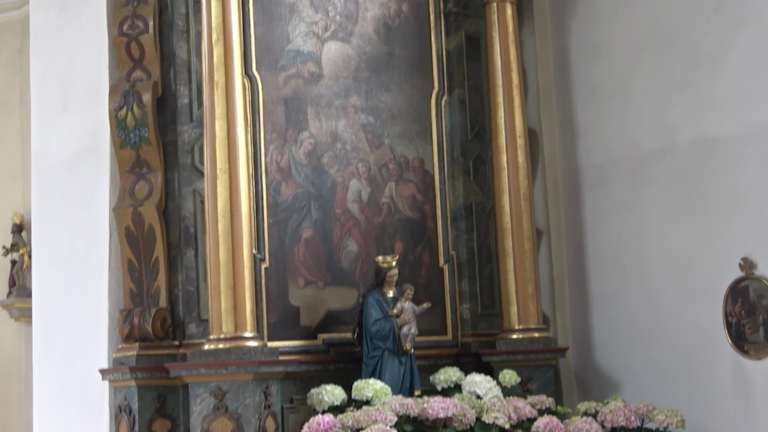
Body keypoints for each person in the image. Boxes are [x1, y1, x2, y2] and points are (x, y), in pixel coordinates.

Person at [359, 255, 421, 396]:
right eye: (390, 276)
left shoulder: (401, 295)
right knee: (388, 395)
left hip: (403, 349)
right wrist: (397, 322)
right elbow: (373, 329)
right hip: (384, 354)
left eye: (396, 275)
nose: (394, 279)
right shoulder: (372, 299)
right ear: (382, 277)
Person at [391, 284, 431, 353]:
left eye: (411, 295)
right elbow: (397, 310)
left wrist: (423, 307)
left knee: (412, 333)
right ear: (403, 293)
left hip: (412, 324)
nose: (410, 296)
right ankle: (404, 347)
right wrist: (394, 312)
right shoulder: (400, 303)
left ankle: (409, 346)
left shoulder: (411, 304)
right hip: (405, 323)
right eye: (408, 294)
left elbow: (417, 311)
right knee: (403, 333)